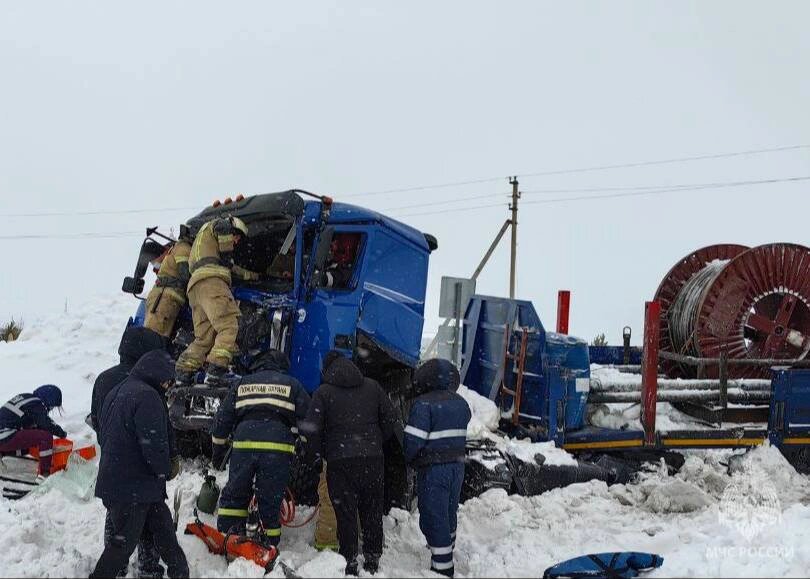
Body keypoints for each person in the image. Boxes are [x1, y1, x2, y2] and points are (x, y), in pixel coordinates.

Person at [91, 350, 189, 579]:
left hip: (129, 485)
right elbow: (154, 444)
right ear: (156, 374)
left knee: (165, 534)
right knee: (120, 547)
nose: (168, 385)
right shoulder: (147, 396)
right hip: (133, 488)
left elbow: (105, 434)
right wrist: (165, 468)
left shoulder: (119, 391)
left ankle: (180, 573)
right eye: (167, 379)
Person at [301, 356, 400, 576]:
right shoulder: (373, 387)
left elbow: (311, 429)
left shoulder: (323, 393)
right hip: (373, 460)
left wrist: (318, 457)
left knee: (344, 511)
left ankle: (350, 560)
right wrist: (374, 442)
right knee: (372, 508)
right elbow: (391, 418)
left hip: (339, 461)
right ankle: (373, 559)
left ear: (327, 370)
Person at [210, 349, 310, 548]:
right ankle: (267, 543)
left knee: (236, 493)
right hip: (277, 447)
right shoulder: (292, 385)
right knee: (270, 497)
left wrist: (218, 452)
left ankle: (229, 536)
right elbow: (308, 423)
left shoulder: (242, 383)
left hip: (244, 444)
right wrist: (308, 451)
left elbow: (222, 421)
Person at [403, 359, 471, 578]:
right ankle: (446, 550)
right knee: (449, 512)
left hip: (434, 470)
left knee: (434, 517)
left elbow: (413, 441)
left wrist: (409, 460)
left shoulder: (424, 404)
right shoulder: (461, 403)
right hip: (457, 467)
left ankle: (442, 569)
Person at [175, 216, 257, 387]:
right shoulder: (220, 225)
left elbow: (232, 269)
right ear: (233, 229)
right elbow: (224, 230)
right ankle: (216, 371)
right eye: (237, 237)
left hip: (195, 288)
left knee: (204, 338)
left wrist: (254, 276)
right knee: (230, 326)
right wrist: (228, 254)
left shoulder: (205, 246)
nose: (235, 242)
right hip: (212, 284)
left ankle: (184, 371)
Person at [89, 325, 165, 432]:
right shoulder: (148, 383)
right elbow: (159, 431)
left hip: (108, 446)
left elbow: (95, 421)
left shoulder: (103, 378)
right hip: (139, 447)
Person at [0, 385, 66, 476]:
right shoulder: (36, 403)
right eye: (52, 407)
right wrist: (62, 433)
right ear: (48, 400)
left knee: (32, 441)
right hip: (5, 435)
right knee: (45, 437)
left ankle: (4, 453)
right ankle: (45, 473)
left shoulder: (27, 398)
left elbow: (32, 424)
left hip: (3, 436)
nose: (50, 409)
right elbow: (46, 423)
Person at [143, 226, 193, 339]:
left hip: (164, 300)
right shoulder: (183, 248)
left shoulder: (177, 249)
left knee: (157, 337)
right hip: (164, 300)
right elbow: (185, 277)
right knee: (154, 337)